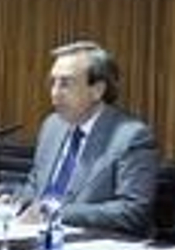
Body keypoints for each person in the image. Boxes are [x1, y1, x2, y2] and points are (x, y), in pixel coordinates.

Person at [12, 40, 159, 236]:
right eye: (52, 83)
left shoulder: (131, 136)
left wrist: (55, 212)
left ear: (97, 90)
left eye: (65, 84)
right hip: (36, 239)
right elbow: (36, 185)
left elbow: (133, 211)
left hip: (90, 247)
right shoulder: (52, 126)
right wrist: (15, 201)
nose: (54, 93)